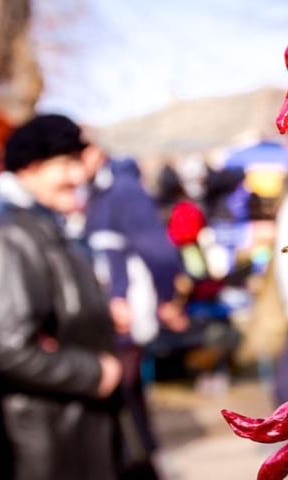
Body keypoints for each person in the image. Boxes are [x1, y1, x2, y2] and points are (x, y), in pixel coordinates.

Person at [0, 114, 123, 480]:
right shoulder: (11, 235)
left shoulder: (48, 225)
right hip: (46, 435)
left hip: (75, 424)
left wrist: (103, 313)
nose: (78, 176)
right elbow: (8, 344)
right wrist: (93, 373)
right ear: (29, 169)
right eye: (65, 164)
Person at [81, 143, 189, 479]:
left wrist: (165, 297)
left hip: (126, 311)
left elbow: (156, 248)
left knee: (126, 394)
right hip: (108, 312)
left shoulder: (122, 191)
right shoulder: (94, 192)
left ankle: (140, 465)